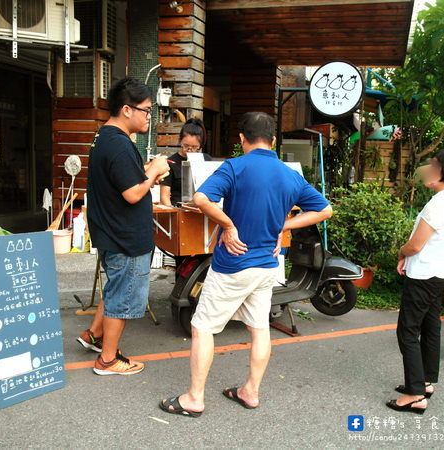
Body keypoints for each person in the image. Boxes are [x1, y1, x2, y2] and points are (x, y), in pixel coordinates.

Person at [159, 112, 332, 417]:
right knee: (259, 328)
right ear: (273, 141)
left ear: (241, 139)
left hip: (233, 264)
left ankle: (194, 399)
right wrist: (285, 226)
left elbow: (200, 199)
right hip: (267, 265)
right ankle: (250, 391)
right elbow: (324, 210)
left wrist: (227, 224)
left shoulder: (235, 166)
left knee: (201, 327)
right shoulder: (290, 175)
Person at [78, 77, 169, 376]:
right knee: (123, 297)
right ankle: (107, 360)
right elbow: (131, 193)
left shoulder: (105, 137)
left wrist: (147, 173)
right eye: (146, 110)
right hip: (124, 236)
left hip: (111, 232)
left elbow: (125, 180)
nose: (149, 116)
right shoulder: (118, 143)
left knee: (116, 289)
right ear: (127, 110)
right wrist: (154, 170)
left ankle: (92, 334)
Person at [387, 148, 444, 414]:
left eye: (432, 165)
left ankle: (414, 395)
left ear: (443, 173)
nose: (427, 168)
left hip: (423, 276)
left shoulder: (438, 204)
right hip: (438, 274)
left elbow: (415, 245)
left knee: (408, 331)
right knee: (430, 327)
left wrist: (401, 253)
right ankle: (425, 382)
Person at [160, 118, 212, 207]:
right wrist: (173, 213)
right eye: (186, 146)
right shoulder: (171, 162)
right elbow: (164, 196)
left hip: (203, 209)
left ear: (200, 145)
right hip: (179, 209)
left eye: (194, 147)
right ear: (180, 141)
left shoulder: (206, 160)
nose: (189, 150)